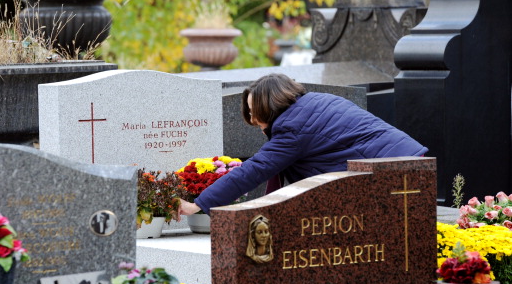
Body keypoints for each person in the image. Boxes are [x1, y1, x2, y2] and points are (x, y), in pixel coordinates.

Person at [178, 73, 428, 216]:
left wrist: (198, 203)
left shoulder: (294, 126)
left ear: (272, 105)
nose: (253, 120)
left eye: (256, 112)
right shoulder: (313, 102)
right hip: (408, 164)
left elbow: (255, 169)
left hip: (391, 174)